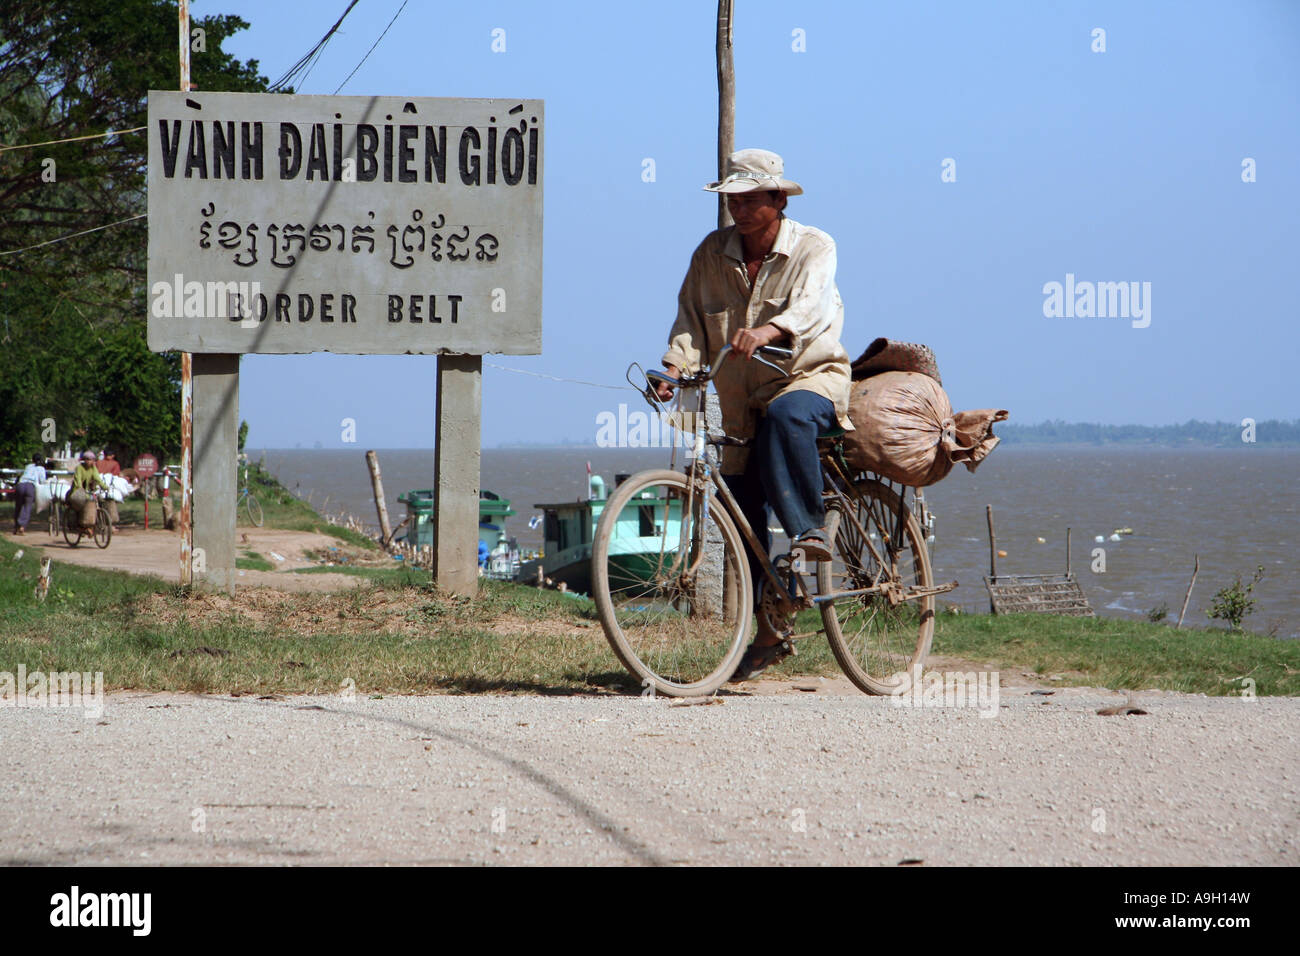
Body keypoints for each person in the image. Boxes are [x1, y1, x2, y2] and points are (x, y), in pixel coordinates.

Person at [655, 148, 853, 681]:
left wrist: (771, 329)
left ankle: (809, 529)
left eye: (749, 200)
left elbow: (813, 307)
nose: (739, 210)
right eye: (732, 200)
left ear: (777, 199)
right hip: (741, 404)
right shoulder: (711, 254)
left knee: (789, 417)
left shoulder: (814, 246)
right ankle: (771, 622)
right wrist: (673, 367)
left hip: (807, 379)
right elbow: (691, 320)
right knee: (743, 517)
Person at [69, 450, 109, 532]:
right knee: (81, 504)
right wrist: (81, 489)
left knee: (97, 500)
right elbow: (78, 480)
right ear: (84, 460)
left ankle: (91, 523)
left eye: (91, 460)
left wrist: (105, 487)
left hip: (88, 490)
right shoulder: (80, 468)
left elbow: (97, 478)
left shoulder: (93, 468)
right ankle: (79, 524)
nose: (89, 461)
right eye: (87, 459)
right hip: (77, 491)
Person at [12, 454, 47, 535]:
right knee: (27, 507)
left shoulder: (28, 466)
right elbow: (42, 481)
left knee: (18, 506)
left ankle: (16, 526)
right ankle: (22, 526)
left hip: (20, 485)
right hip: (30, 487)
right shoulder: (41, 469)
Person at [95, 450, 123, 527]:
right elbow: (115, 476)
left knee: (97, 505)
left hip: (97, 487)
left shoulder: (98, 462)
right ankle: (110, 525)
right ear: (112, 455)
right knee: (110, 503)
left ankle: (98, 523)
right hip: (108, 488)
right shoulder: (115, 464)